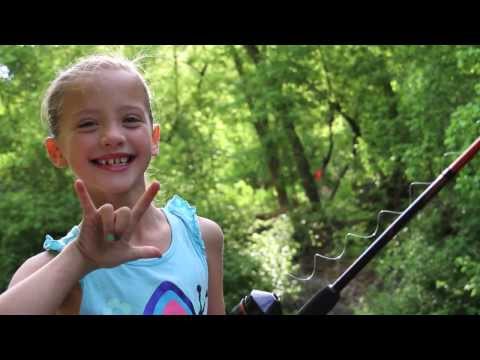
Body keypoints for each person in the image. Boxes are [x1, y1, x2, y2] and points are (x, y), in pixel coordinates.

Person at [0, 54, 225, 315]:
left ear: (154, 138)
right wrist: (80, 257)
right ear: (56, 152)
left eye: (130, 119)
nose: (113, 136)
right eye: (88, 124)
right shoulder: (50, 273)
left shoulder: (201, 237)